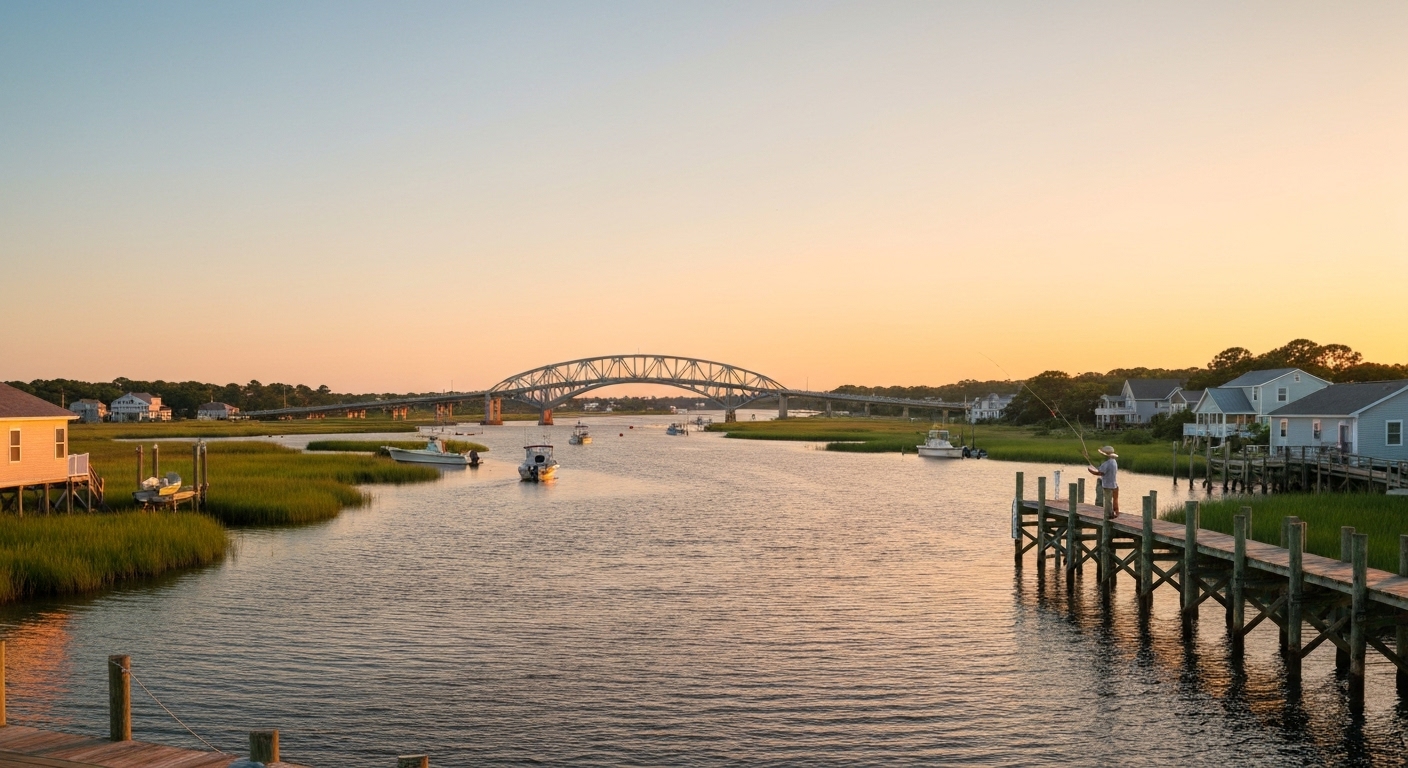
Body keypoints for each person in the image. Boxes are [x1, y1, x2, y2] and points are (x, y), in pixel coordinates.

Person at [1087, 445, 1119, 517]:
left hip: (1107, 485)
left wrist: (1091, 471)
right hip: (1114, 484)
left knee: (1108, 501)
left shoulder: (1106, 463)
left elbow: (1100, 473)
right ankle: (1116, 512)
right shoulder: (1114, 462)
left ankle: (1109, 514)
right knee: (1114, 499)